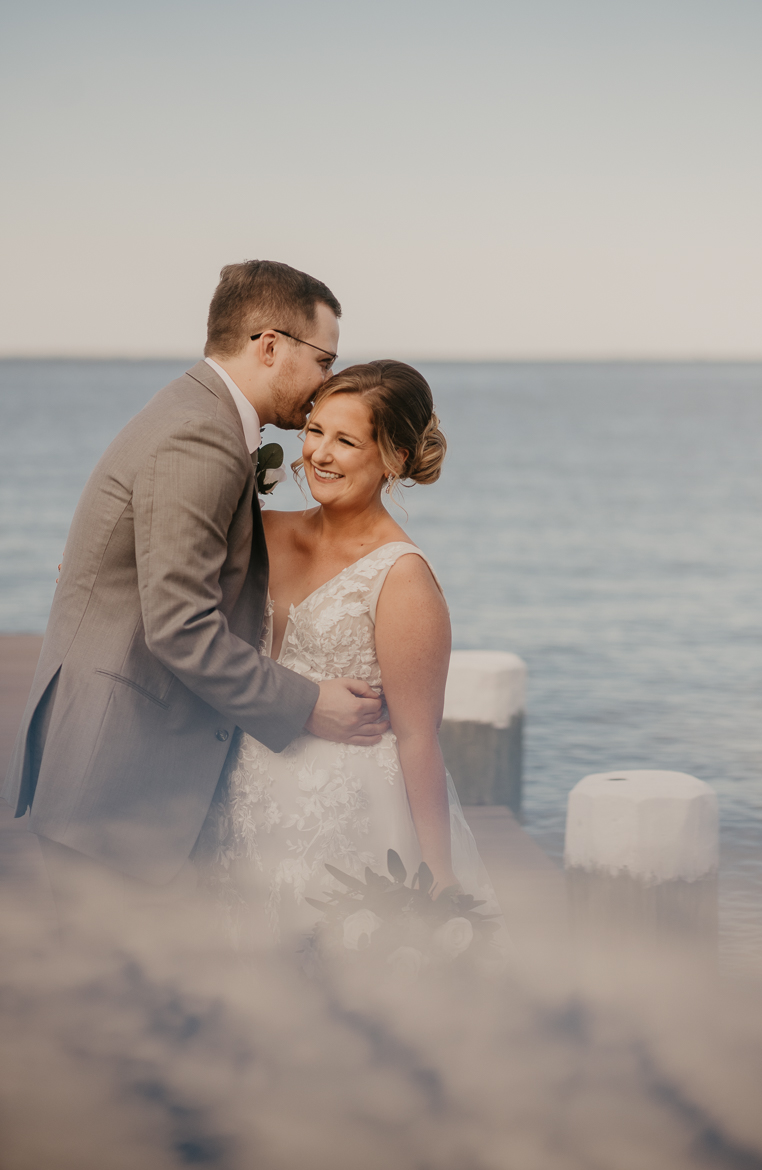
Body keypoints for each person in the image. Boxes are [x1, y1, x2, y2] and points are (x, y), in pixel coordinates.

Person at [1, 261, 389, 907]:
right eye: (323, 361)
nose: (327, 385)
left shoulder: (194, 412)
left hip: (115, 764)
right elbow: (181, 627)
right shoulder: (200, 436)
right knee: (119, 994)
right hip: (120, 780)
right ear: (270, 345)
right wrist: (306, 704)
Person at [199, 360, 500, 946]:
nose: (320, 454)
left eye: (346, 440)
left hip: (343, 817)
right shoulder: (264, 530)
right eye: (314, 431)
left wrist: (439, 873)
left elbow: (417, 735)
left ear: (393, 459)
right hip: (237, 791)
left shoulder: (402, 576)